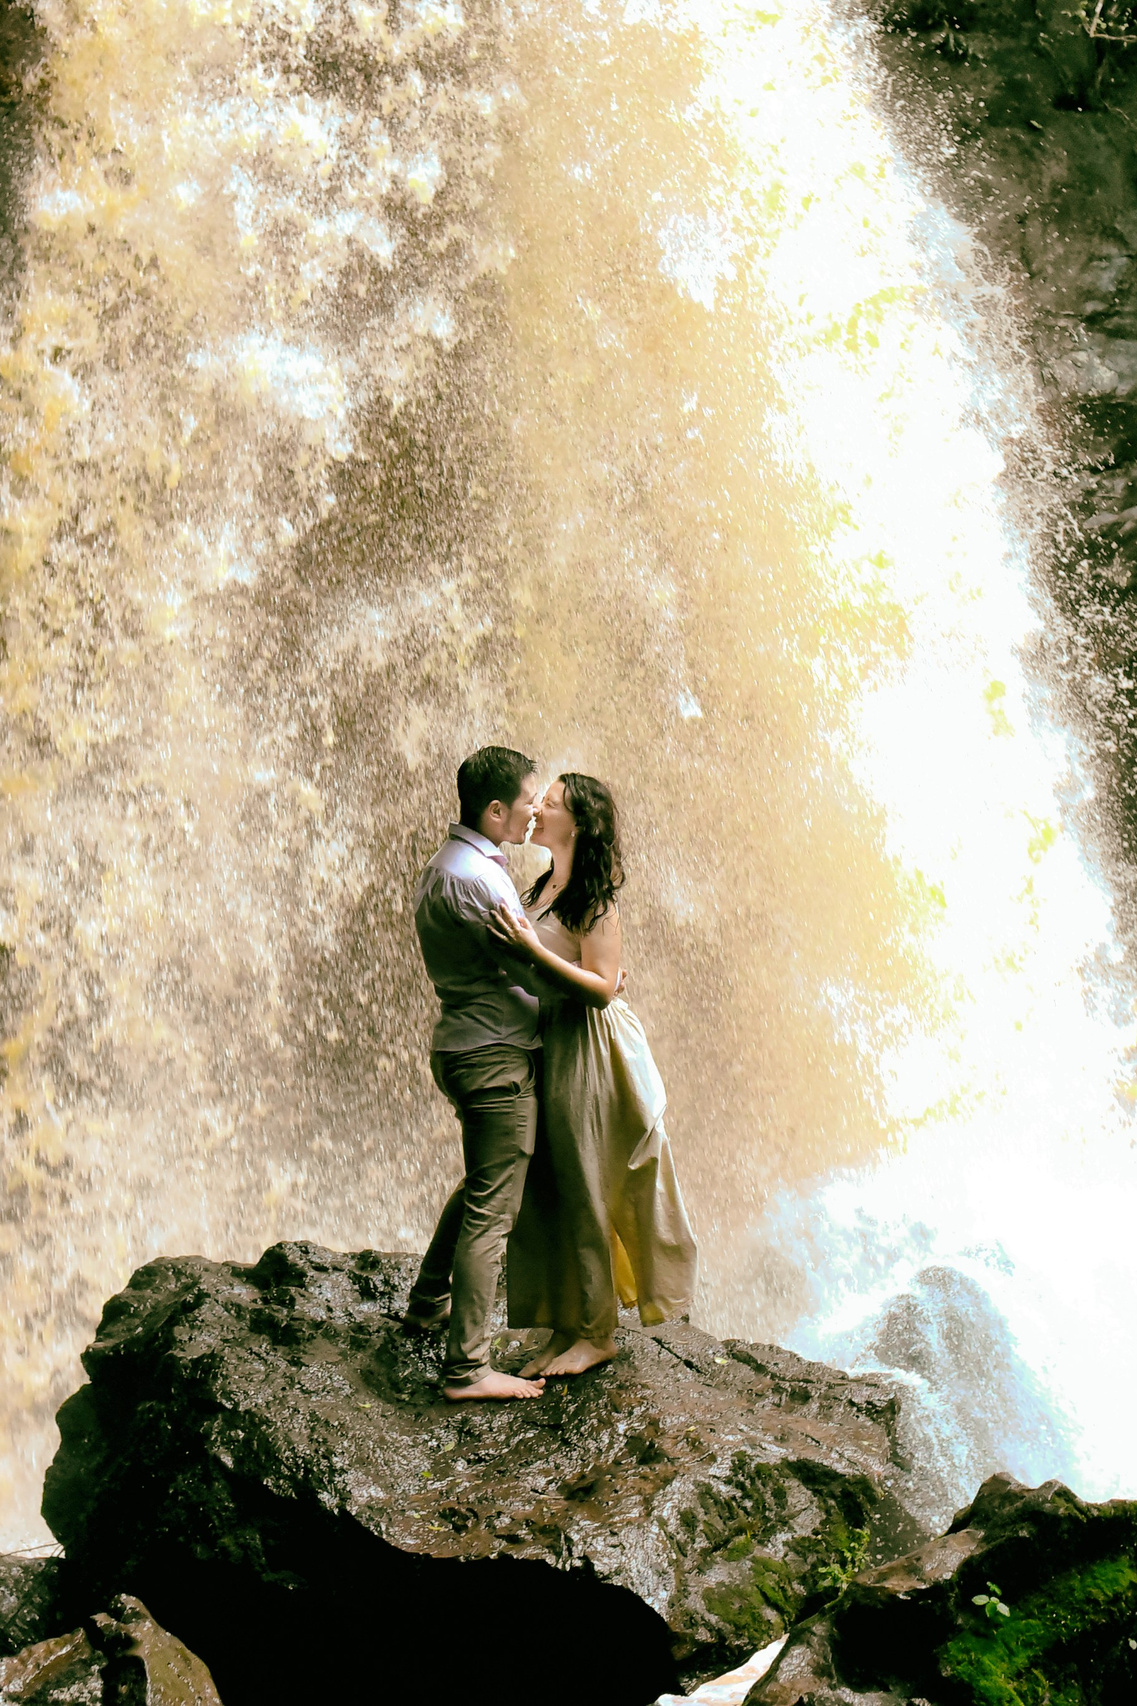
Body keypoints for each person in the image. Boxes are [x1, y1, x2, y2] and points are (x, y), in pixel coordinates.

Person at [489, 773, 697, 1377]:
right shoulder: (546, 882)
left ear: (576, 824)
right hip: (547, 1041)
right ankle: (563, 1325)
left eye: (549, 805)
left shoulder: (595, 897)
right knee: (549, 1184)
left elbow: (604, 988)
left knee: (583, 1182)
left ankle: (598, 1334)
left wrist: (534, 954)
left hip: (586, 1050)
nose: (538, 810)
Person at [404, 746, 547, 1401]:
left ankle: (428, 1300)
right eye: (525, 801)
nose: (533, 811)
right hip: (493, 1056)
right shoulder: (482, 881)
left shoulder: (444, 866)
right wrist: (600, 988)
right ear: (494, 810)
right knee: (493, 1213)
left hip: (460, 1045)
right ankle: (466, 1368)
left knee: (477, 1190)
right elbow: (531, 973)